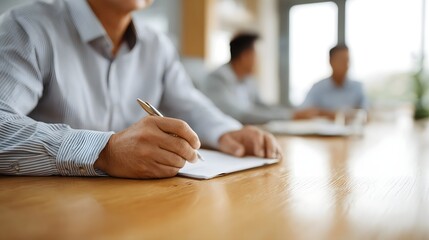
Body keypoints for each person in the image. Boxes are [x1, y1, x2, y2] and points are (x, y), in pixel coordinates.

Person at [0, 0, 281, 179]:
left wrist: (227, 131)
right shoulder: (26, 27)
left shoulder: (158, 44)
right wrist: (104, 151)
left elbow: (187, 102)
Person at [200, 33, 316, 124]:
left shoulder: (248, 79)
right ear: (245, 56)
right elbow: (239, 115)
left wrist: (291, 112)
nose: (258, 61)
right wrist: (289, 116)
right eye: (256, 55)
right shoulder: (217, 79)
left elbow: (261, 105)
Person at [296, 45, 368, 120]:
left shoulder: (357, 87)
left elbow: (367, 114)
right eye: (341, 60)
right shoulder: (318, 88)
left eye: (347, 60)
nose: (346, 65)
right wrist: (333, 115)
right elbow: (299, 114)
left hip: (352, 131)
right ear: (330, 61)